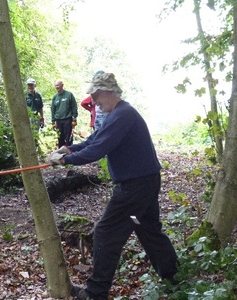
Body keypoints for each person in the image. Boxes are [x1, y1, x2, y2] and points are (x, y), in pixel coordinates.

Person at [48, 73, 178, 300]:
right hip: (144, 184)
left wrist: (65, 161)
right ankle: (174, 276)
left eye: (97, 94)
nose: (94, 99)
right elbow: (93, 140)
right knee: (147, 228)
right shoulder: (116, 114)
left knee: (106, 232)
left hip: (134, 188)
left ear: (110, 91)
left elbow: (98, 150)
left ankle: (95, 293)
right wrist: (69, 149)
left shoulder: (123, 115)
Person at [51, 79, 78, 147]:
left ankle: (69, 152)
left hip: (67, 120)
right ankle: (61, 153)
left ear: (62, 85)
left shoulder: (69, 95)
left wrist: (74, 118)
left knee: (68, 137)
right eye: (55, 85)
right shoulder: (55, 97)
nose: (57, 87)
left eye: (58, 85)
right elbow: (53, 110)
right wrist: (53, 121)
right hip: (58, 120)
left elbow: (74, 107)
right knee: (60, 138)